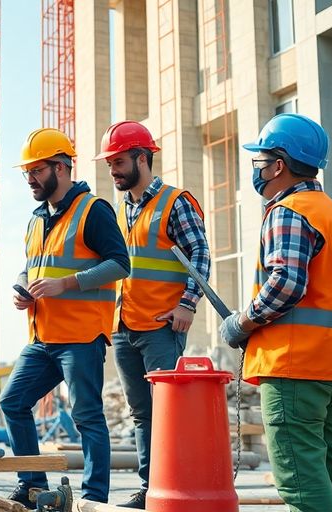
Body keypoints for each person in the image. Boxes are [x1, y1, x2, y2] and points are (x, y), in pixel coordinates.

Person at [220, 113, 332, 512]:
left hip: (297, 366)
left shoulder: (289, 211)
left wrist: (243, 321)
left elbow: (287, 283)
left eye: (260, 160)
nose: (258, 169)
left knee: (299, 478)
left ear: (279, 165)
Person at [0, 128, 130, 507]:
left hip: (80, 336)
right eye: (26, 173)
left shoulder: (93, 210)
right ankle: (32, 484)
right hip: (42, 338)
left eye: (36, 171)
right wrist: (24, 287)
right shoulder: (36, 219)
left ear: (61, 166)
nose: (29, 180)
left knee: (87, 416)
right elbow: (33, 267)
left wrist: (66, 284)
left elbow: (120, 264)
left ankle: (93, 498)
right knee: (12, 402)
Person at [93, 121, 210, 509]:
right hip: (126, 325)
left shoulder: (175, 202)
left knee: (168, 414)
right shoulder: (123, 210)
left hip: (162, 325)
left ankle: (177, 487)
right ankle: (151, 490)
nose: (113, 170)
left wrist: (188, 305)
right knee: (143, 414)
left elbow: (201, 255)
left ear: (142, 158)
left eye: (119, 161)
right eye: (110, 163)